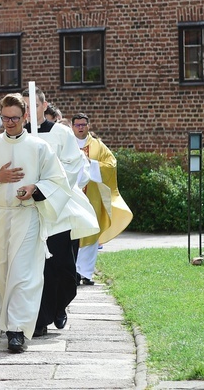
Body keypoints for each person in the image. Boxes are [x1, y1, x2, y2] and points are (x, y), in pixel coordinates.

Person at [0, 93, 72, 353]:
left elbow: (58, 181)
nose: (9, 123)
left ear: (25, 117)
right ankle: (9, 322)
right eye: (5, 118)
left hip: (26, 215)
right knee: (2, 275)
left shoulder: (39, 147)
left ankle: (18, 332)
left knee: (24, 274)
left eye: (14, 118)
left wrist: (35, 188)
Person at [23, 88, 99, 337]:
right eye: (23, 107)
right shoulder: (18, 136)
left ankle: (60, 305)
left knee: (63, 268)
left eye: (32, 105)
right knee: (38, 268)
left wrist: (46, 186)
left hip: (58, 208)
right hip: (30, 211)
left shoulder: (61, 133)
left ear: (44, 106)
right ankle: (40, 319)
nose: (28, 112)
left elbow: (74, 165)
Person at [71, 113, 133, 285]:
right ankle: (74, 272)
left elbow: (111, 164)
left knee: (91, 232)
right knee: (73, 233)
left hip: (92, 197)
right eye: (77, 125)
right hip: (73, 196)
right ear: (72, 126)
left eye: (83, 124)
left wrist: (91, 164)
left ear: (88, 125)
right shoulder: (66, 143)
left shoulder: (98, 146)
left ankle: (86, 273)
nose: (81, 127)